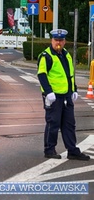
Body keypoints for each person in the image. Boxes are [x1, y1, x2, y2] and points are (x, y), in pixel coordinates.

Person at [37, 29, 90, 161]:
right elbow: (42, 75)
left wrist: (74, 90)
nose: (58, 43)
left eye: (61, 40)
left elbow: (69, 75)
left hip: (66, 96)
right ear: (52, 40)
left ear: (65, 41)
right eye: (56, 40)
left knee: (69, 124)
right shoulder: (46, 56)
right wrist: (49, 92)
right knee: (53, 123)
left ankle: (72, 151)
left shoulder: (66, 54)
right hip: (53, 96)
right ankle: (49, 150)